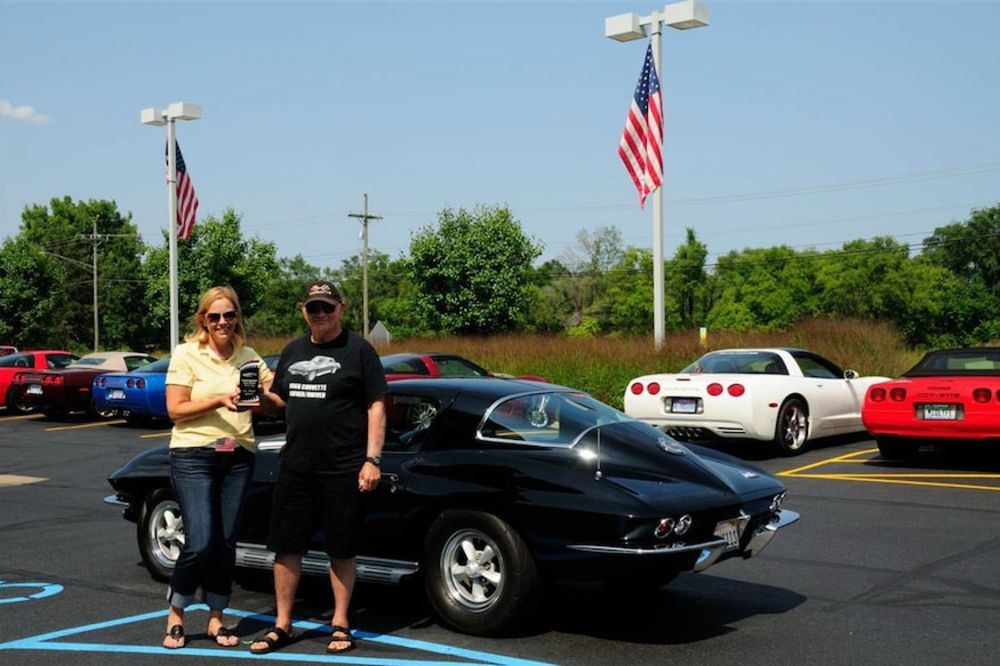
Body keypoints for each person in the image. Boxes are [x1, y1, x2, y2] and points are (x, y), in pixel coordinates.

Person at [250, 280, 386, 656]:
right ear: (303, 311)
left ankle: (340, 623)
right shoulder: (293, 351)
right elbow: (279, 401)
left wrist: (372, 459)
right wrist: (258, 397)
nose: (321, 314)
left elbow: (376, 405)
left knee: (341, 549)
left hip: (344, 467)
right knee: (285, 548)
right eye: (314, 308)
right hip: (296, 466)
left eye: (327, 307)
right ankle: (281, 625)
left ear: (341, 309)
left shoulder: (360, 351)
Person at [161, 286, 273, 649]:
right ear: (203, 320)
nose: (223, 322)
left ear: (238, 317)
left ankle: (216, 619)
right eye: (215, 316)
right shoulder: (187, 353)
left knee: (226, 544)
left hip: (238, 457)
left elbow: (274, 402)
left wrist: (265, 396)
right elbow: (175, 409)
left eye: (229, 315)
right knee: (201, 540)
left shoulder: (250, 355)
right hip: (194, 455)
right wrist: (219, 400)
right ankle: (176, 613)